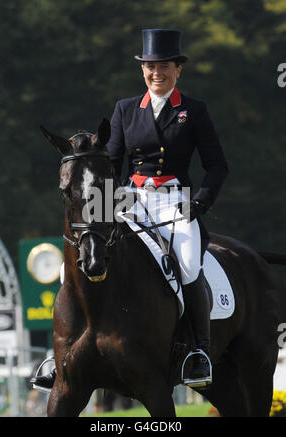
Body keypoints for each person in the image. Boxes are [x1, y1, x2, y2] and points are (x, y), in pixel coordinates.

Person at [31, 28, 228, 390]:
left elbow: (217, 165)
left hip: (174, 199)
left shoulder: (193, 110)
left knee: (186, 263)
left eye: (164, 66)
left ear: (177, 70)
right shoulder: (124, 109)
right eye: (151, 66)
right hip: (128, 197)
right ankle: (57, 354)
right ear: (143, 70)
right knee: (68, 266)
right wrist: (108, 203)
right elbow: (114, 163)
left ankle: (198, 350)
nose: (157, 73)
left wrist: (200, 202)